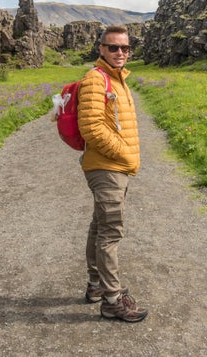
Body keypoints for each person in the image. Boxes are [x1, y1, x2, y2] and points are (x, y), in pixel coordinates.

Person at [77, 24, 148, 323]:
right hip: (107, 167)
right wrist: (124, 152)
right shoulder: (96, 79)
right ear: (101, 49)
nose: (120, 53)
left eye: (125, 48)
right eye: (113, 47)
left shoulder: (118, 79)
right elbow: (91, 128)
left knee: (99, 226)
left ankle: (96, 286)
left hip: (113, 167)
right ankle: (112, 300)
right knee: (110, 232)